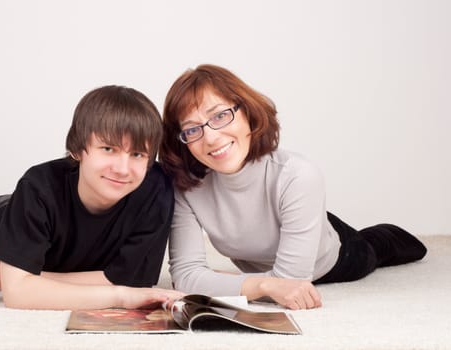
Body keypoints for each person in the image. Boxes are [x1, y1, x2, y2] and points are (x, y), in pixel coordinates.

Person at [159, 64, 427, 310]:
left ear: (247, 113)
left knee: (378, 246)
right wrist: (263, 284)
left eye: (220, 116)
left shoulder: (298, 175)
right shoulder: (187, 187)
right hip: (292, 225)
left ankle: (383, 237)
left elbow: (292, 283)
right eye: (192, 130)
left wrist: (224, 282)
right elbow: (185, 278)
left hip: (339, 255)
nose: (211, 137)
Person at [0, 85, 183, 310]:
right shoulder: (38, 186)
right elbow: (18, 295)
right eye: (108, 149)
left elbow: (128, 279)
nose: (123, 169)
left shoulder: (156, 188)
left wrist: (24, 278)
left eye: (137, 154)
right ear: (77, 150)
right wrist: (120, 297)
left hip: (35, 221)